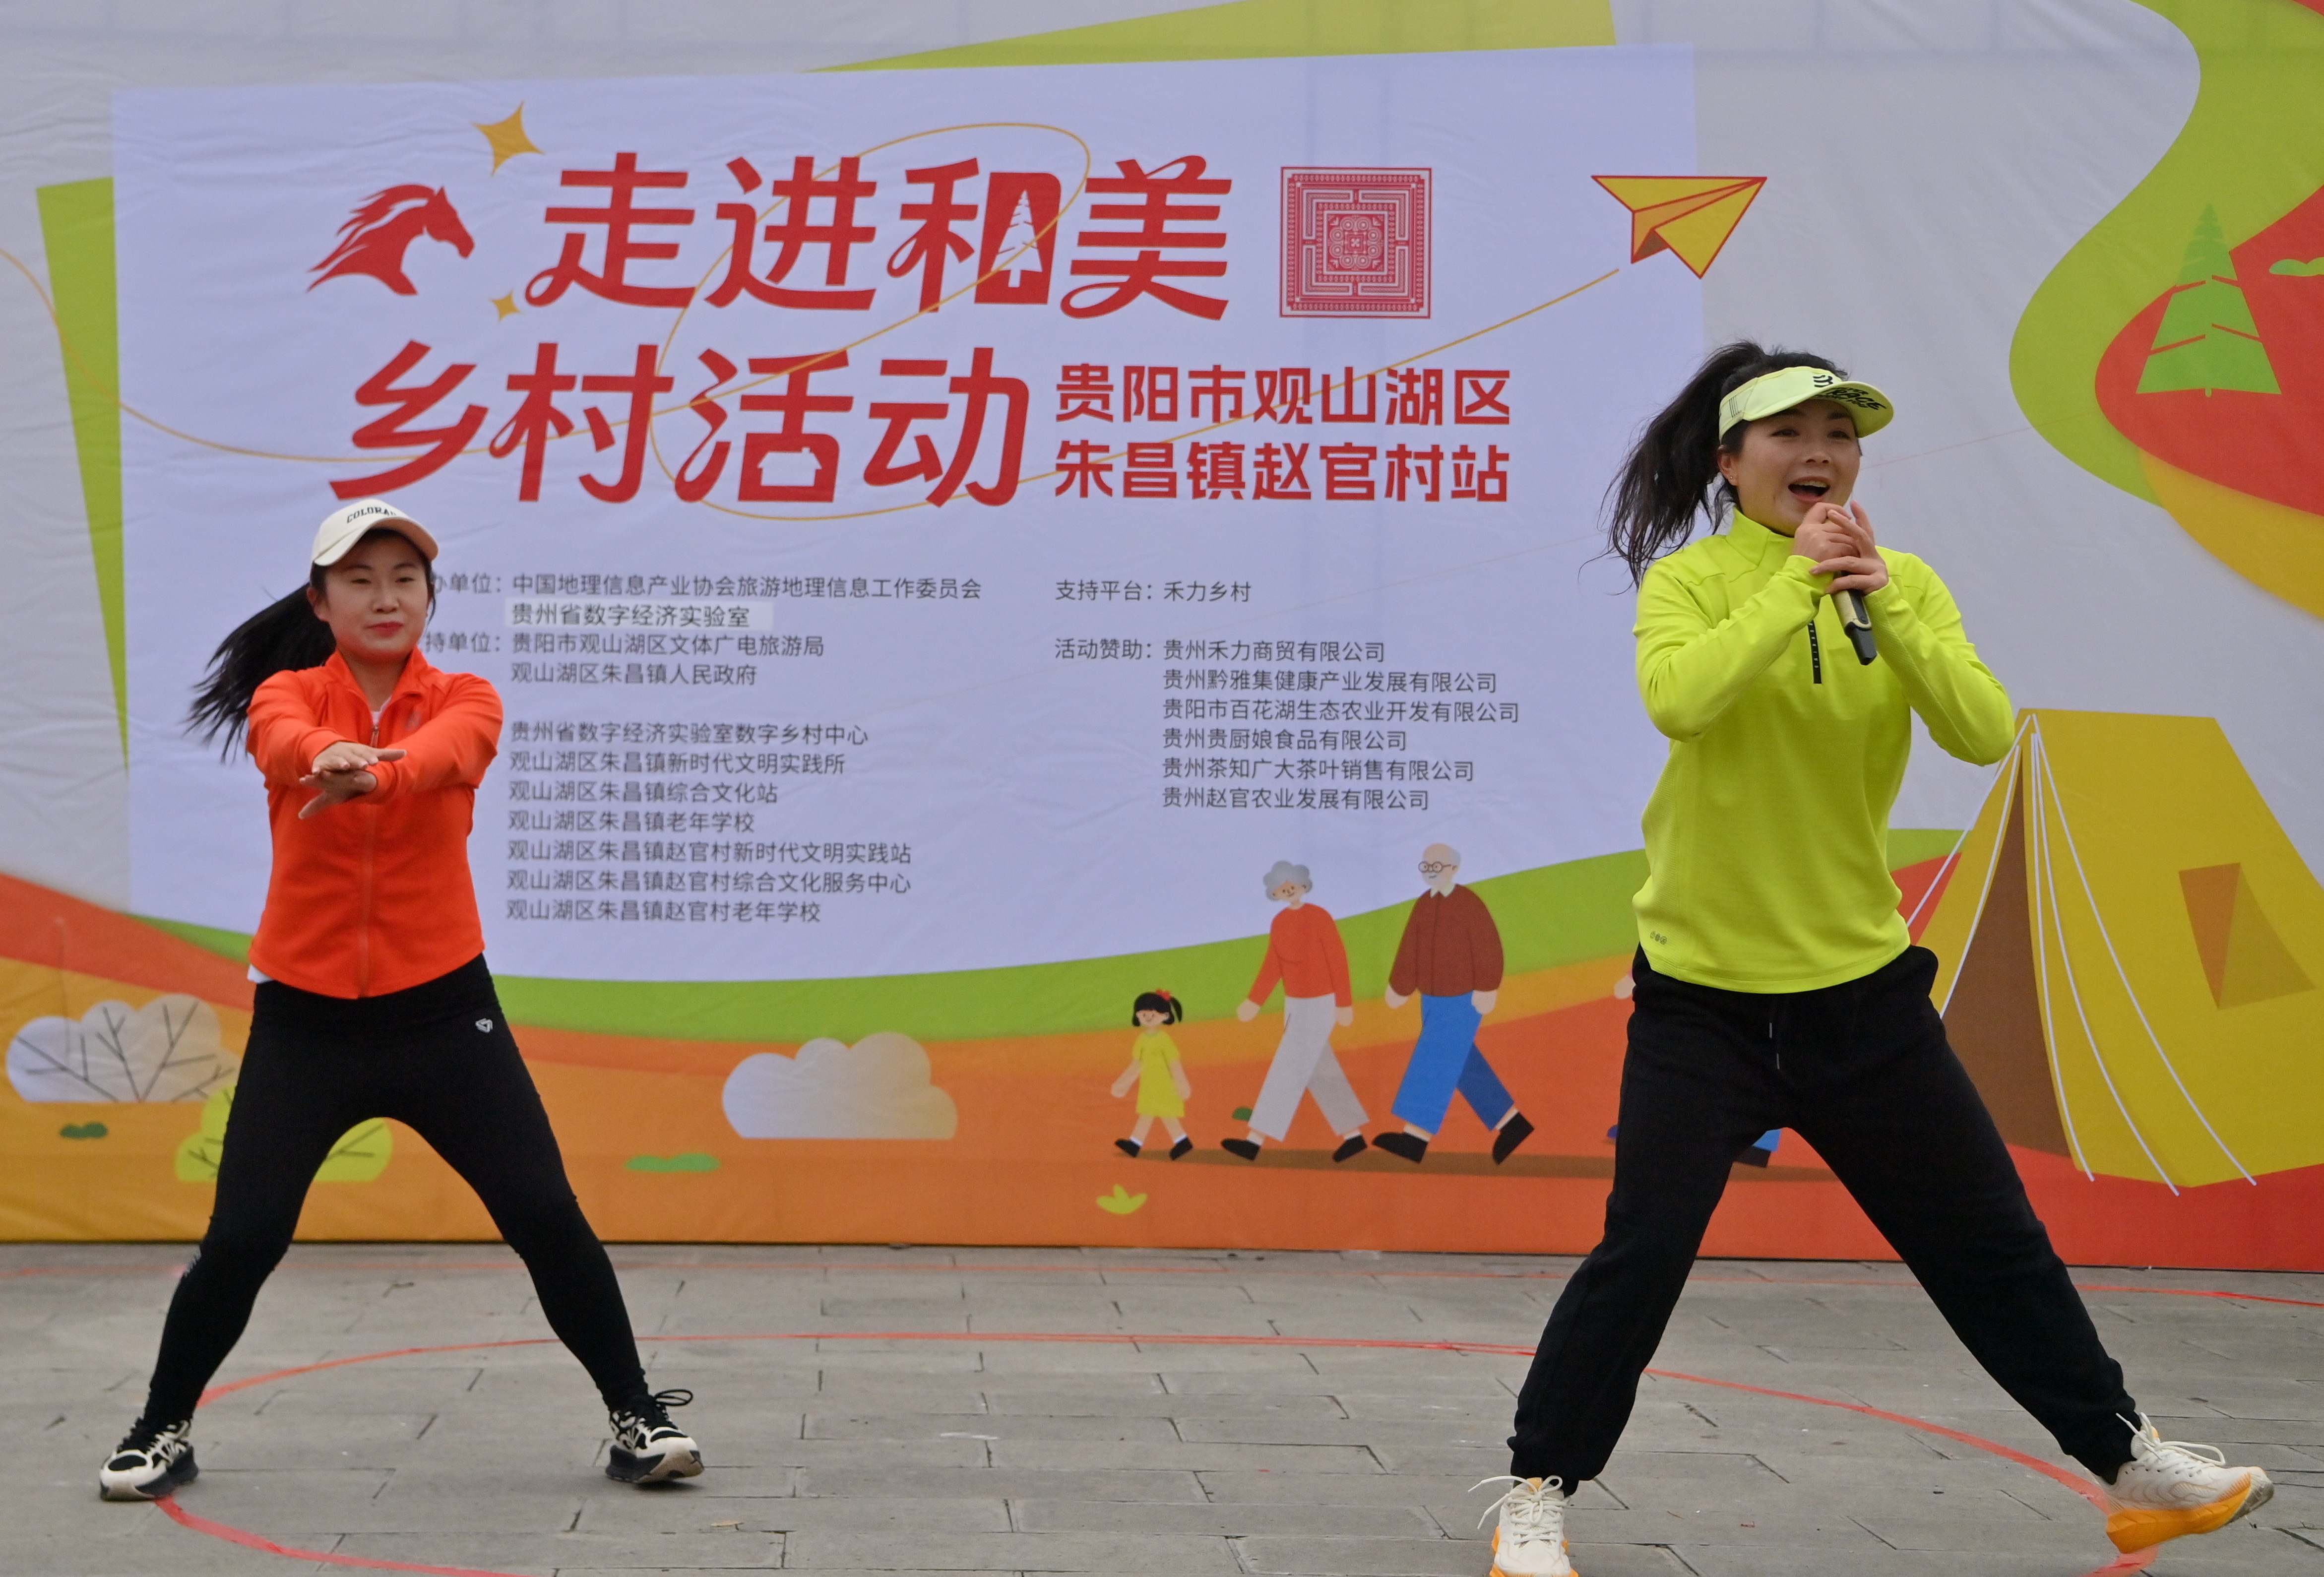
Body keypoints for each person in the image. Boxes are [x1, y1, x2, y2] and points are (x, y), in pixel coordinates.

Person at [1477, 347, 2270, 1576]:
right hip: (1704, 1000)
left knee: (1987, 1239)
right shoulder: (1690, 583)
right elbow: (1680, 700)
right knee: (1643, 1251)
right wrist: (1792, 587)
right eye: (1787, 434)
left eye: (1839, 435)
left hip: (1861, 995)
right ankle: (1537, 1490)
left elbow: (1980, 728)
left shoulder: (1903, 586)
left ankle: (2129, 1462)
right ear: (1729, 461)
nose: (1819, 454)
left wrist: (1881, 598)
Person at [98, 501, 703, 1502]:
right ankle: (160, 1426)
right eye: (360, 579)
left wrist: (374, 775)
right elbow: (281, 739)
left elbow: (451, 753)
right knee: (243, 1236)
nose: (385, 596)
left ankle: (639, 1416)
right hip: (307, 1021)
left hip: (443, 1013)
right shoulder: (287, 695)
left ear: (429, 596)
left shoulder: (466, 695)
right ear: (320, 601)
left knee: (545, 1213)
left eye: (404, 579)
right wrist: (322, 755)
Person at [1377, 843, 1532, 1164]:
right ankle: (1513, 1124)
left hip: (1463, 997)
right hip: (1430, 998)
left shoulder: (1468, 903)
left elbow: (1488, 945)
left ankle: (1415, 1138)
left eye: (1437, 865)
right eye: (1426, 866)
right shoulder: (1423, 904)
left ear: (1453, 869)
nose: (1431, 871)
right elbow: (1410, 947)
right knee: (1462, 1063)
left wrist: (1487, 987)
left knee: (1434, 1060)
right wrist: (1400, 985)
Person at [1222, 862, 1370, 1162]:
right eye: (1281, 886)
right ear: (1274, 892)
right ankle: (1353, 1137)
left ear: (1304, 885)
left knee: (1287, 1067)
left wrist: (1344, 1003)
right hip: (1295, 1004)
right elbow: (1273, 964)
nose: (1288, 889)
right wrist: (1255, 1001)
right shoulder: (1279, 923)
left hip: (1321, 1003)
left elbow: (1337, 958)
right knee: (1320, 1070)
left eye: (1293, 884)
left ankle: (1255, 1141)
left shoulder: (1319, 917)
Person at [1111, 989, 1193, 1158]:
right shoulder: (1142, 1040)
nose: (1147, 1016)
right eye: (1143, 1013)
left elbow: (1174, 1063)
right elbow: (1137, 1064)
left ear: (1165, 1016)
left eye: (1153, 1013)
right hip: (1149, 1085)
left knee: (1164, 1114)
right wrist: (1123, 1084)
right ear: (1137, 1015)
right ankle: (1137, 1144)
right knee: (1149, 1113)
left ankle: (1181, 1142)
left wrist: (1182, 1084)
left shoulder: (1164, 1040)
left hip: (1165, 1086)